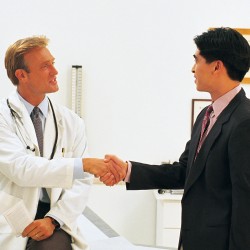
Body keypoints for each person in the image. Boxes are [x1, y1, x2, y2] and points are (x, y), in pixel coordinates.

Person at [103, 27, 250, 250]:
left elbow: (245, 204)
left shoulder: (244, 121)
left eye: (197, 60)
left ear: (217, 66)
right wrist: (127, 171)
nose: (193, 69)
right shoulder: (205, 115)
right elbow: (184, 172)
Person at [0, 36, 119, 250]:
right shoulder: (3, 118)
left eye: (52, 63)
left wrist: (54, 219)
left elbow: (81, 183)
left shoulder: (71, 121)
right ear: (22, 75)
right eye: (45, 66)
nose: (55, 71)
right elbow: (20, 169)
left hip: (54, 217)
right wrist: (82, 165)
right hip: (10, 219)